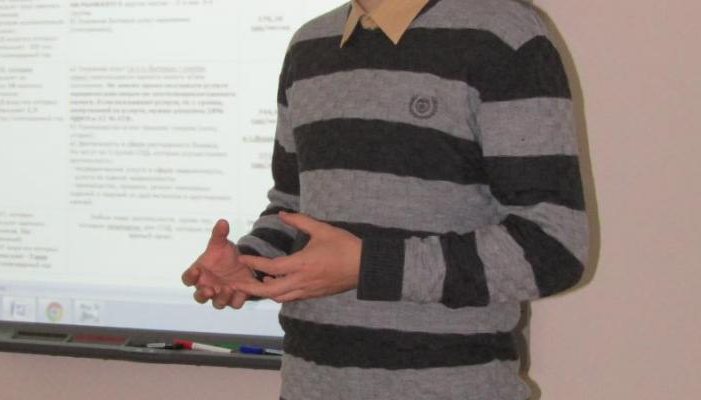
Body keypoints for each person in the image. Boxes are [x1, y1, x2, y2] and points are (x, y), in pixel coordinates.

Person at [181, 0, 589, 398]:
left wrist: (370, 266)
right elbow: (293, 205)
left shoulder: (501, 34)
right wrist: (251, 263)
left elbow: (554, 248)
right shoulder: (309, 45)